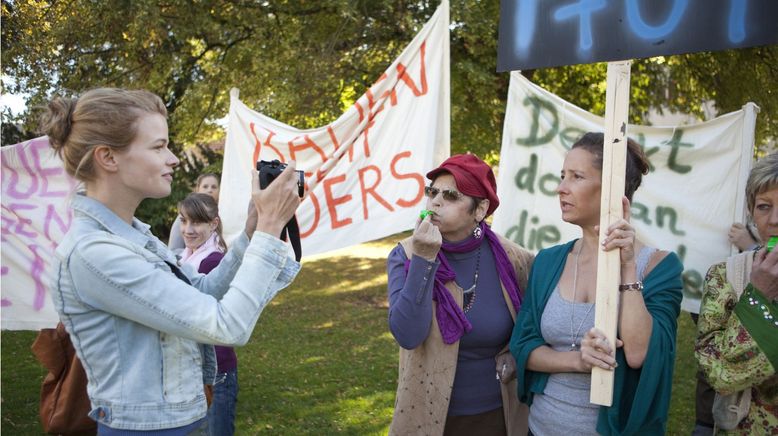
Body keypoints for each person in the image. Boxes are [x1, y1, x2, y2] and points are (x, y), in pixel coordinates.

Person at [41, 88, 302, 433]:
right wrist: (270, 229)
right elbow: (226, 325)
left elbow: (205, 292)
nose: (174, 158)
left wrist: (253, 232)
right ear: (108, 158)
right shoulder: (95, 253)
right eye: (158, 146)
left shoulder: (134, 237)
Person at [510, 132, 684, 435]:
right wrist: (577, 360)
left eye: (576, 177)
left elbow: (639, 354)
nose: (561, 188)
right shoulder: (549, 261)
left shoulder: (659, 267)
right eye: (562, 176)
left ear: (612, 191)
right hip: (540, 427)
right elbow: (523, 346)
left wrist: (627, 266)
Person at [386, 153, 535, 435]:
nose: (436, 201)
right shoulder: (405, 254)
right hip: (427, 417)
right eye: (432, 192)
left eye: (451, 195)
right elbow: (407, 334)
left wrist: (515, 353)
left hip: (497, 416)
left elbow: (532, 326)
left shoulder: (514, 259)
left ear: (480, 209)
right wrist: (423, 259)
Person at [695, 152, 778, 434]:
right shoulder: (726, 276)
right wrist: (759, 295)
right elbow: (720, 375)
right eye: (764, 207)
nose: (774, 220)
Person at [177, 192, 239, 436]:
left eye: (197, 222)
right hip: (197, 367)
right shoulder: (187, 256)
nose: (188, 229)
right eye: (184, 221)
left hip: (216, 370)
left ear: (214, 224)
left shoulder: (210, 261)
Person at [169, 173, 221, 252]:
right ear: (198, 189)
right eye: (205, 186)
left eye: (214, 187)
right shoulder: (185, 215)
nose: (210, 190)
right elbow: (173, 249)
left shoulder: (224, 213)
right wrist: (195, 254)